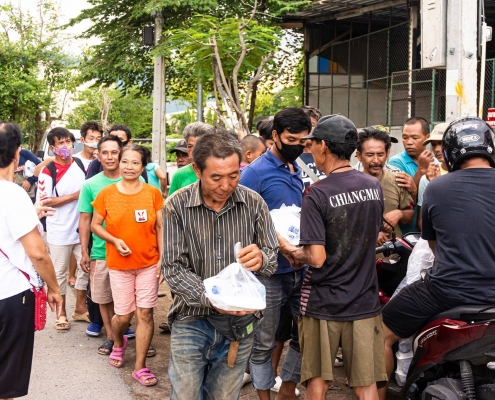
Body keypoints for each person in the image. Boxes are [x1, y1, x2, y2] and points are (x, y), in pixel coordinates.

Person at [380, 117, 495, 400]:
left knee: (378, 334)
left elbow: (432, 245)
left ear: (452, 152)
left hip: (447, 291)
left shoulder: (437, 188)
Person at [277, 114, 387, 400]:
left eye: (312, 144)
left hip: (323, 302)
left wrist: (288, 248)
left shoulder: (317, 193)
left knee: (318, 383)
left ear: (323, 145)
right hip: (364, 300)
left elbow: (316, 258)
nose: (309, 150)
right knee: (366, 386)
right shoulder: (372, 186)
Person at [162, 132, 278, 399]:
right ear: (196, 169)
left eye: (233, 175)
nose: (226, 185)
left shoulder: (254, 203)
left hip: (240, 323)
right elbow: (172, 268)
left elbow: (271, 256)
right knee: (185, 394)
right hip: (191, 320)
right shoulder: (177, 206)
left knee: (225, 395)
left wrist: (261, 258)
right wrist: (214, 297)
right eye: (216, 177)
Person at [240, 107, 312, 400]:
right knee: (263, 342)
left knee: (304, 335)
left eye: (303, 140)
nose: (298, 145)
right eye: (291, 138)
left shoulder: (299, 170)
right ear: (274, 136)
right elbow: (245, 223)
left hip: (301, 270)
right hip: (269, 274)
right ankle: (264, 396)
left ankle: (287, 389)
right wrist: (283, 247)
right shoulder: (254, 174)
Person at [0, 122, 63, 400]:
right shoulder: (13, 195)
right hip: (9, 296)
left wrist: (30, 214)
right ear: (17, 155)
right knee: (5, 380)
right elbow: (37, 253)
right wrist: (55, 288)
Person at [91, 144, 163, 387]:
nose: (129, 167)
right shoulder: (106, 193)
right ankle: (119, 341)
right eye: (125, 162)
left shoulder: (153, 193)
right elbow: (95, 225)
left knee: (145, 313)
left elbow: (159, 227)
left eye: (135, 163)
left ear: (143, 167)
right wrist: (114, 240)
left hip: (148, 263)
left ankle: (140, 366)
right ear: (118, 164)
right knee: (123, 316)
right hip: (119, 265)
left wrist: (162, 258)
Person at [78, 136, 139, 353]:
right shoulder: (90, 185)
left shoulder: (136, 180)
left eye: (115, 152)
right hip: (101, 252)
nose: (110, 157)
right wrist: (84, 251)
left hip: (134, 252)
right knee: (103, 296)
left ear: (121, 154)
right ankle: (113, 338)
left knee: (135, 298)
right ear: (98, 155)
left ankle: (137, 336)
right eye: (105, 152)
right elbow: (85, 220)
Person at [37, 127, 88, 330]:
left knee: (86, 269)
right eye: (61, 143)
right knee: (59, 273)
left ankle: (80, 310)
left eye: (68, 142)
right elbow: (45, 201)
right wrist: (74, 196)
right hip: (58, 230)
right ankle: (61, 314)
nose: (66, 146)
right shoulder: (47, 171)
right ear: (52, 147)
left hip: (81, 228)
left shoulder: (79, 164)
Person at [356, 125, 414, 243]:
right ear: (359, 155)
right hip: (361, 258)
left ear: (387, 153)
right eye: (370, 155)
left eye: (380, 154)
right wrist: (372, 232)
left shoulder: (397, 180)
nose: (376, 160)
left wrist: (399, 214)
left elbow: (409, 216)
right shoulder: (349, 185)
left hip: (393, 257)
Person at [388, 117, 432, 233]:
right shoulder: (396, 162)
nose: (409, 142)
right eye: (405, 137)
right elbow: (404, 199)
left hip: (429, 230)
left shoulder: (435, 161)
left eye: (415, 137)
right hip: (407, 231)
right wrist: (421, 169)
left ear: (427, 138)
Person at [416, 123, 449, 230]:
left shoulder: (466, 173)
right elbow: (422, 221)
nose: (437, 149)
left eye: (442, 143)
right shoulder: (428, 176)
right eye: (434, 144)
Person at [168, 122, 215, 195]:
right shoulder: (179, 175)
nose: (194, 151)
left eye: (199, 145)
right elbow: (171, 204)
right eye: (190, 146)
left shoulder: (221, 171)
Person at [299, 106, 325, 189]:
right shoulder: (290, 157)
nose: (308, 129)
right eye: (303, 125)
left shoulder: (327, 154)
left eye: (312, 125)